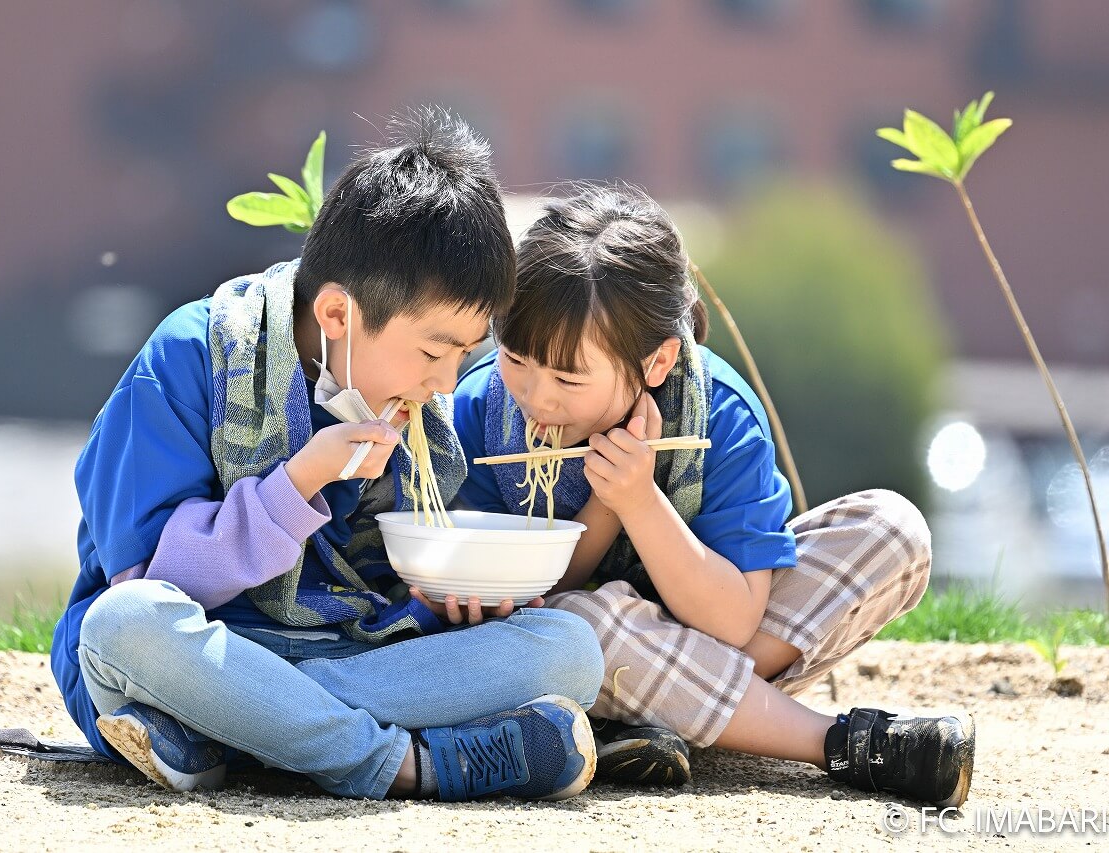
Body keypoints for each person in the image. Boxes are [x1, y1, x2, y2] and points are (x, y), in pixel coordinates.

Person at [50, 111, 605, 802]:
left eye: (466, 354)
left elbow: (377, 607)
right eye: (434, 352)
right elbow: (155, 578)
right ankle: (402, 764)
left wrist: (442, 604)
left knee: (570, 650)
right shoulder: (189, 357)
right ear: (339, 316)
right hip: (198, 647)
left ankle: (248, 729)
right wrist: (301, 479)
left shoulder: (410, 410)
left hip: (335, 657)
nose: (445, 383)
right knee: (123, 626)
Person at [452, 183, 975, 806]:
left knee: (893, 531)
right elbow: (539, 594)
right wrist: (606, 503)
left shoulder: (720, 415)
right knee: (578, 626)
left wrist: (644, 504)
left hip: (710, 629)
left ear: (657, 361)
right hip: (579, 645)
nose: (537, 397)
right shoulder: (481, 409)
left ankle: (653, 721)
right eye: (516, 359)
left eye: (569, 376)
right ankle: (838, 742)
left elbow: (731, 621)